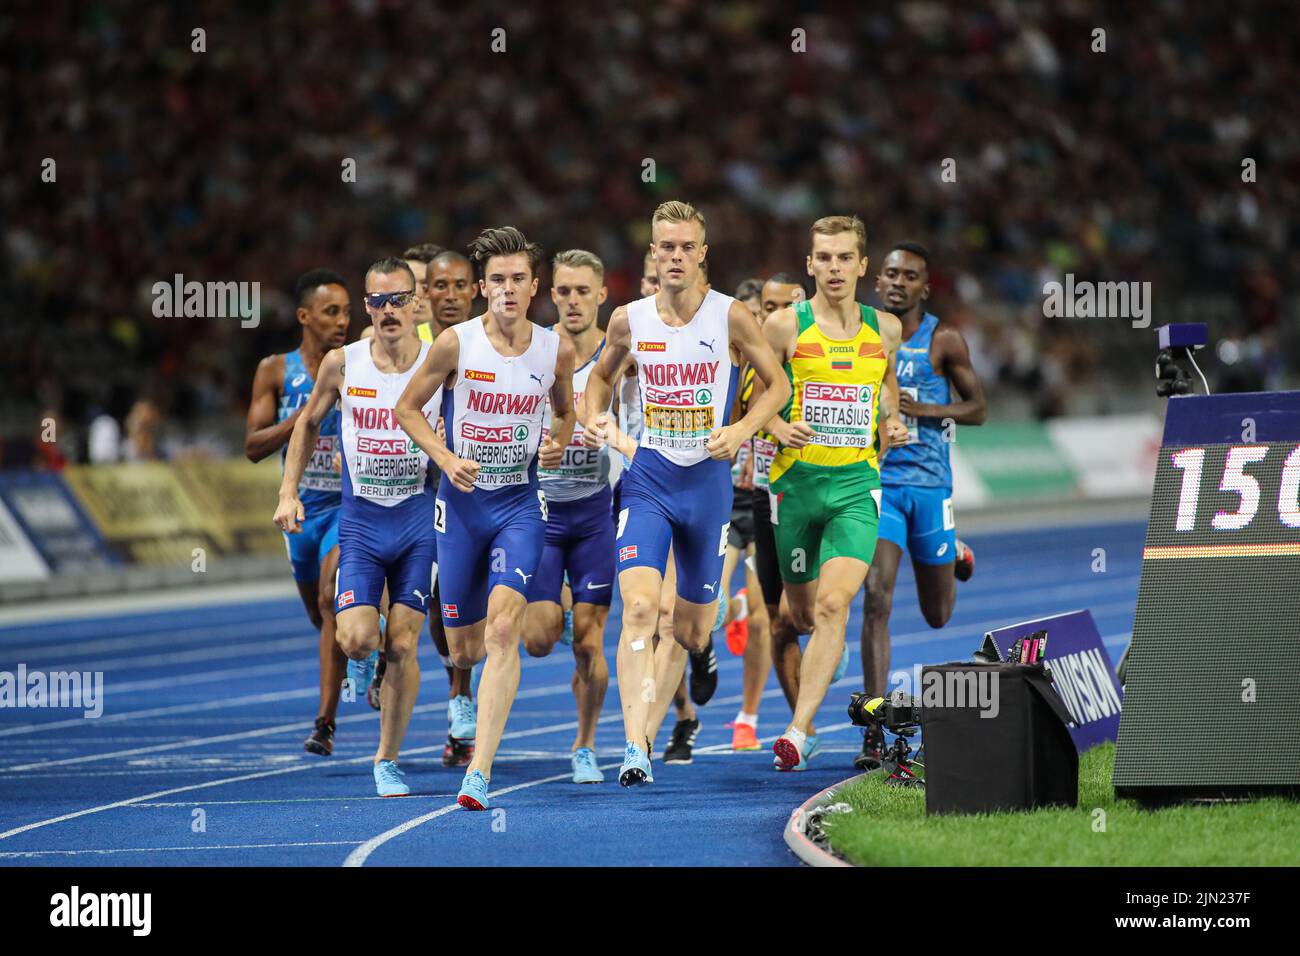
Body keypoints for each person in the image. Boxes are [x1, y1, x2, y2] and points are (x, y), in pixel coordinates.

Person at [582, 200, 791, 787]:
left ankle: (700, 650)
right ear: (652, 254)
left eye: (685, 247)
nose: (675, 257)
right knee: (643, 610)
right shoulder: (629, 319)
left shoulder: (730, 318)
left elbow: (775, 386)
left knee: (692, 628)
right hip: (649, 478)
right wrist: (599, 421)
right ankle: (635, 744)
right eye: (664, 247)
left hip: (707, 486)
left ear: (703, 253)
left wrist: (741, 430)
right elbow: (598, 380)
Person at [396, 226, 575, 811]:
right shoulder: (455, 344)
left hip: (519, 507)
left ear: (534, 285)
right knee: (465, 646)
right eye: (496, 280)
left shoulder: (554, 349)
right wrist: (445, 457)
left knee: (503, 633)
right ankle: (462, 698)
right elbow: (406, 409)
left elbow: (566, 412)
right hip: (461, 509)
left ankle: (479, 770)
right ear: (482, 288)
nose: (507, 290)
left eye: (517, 279)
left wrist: (557, 442)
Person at [276, 258, 442, 796]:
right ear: (367, 305)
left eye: (398, 300)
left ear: (417, 303)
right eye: (377, 301)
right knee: (355, 638)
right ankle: (359, 661)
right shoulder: (342, 364)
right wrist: (288, 492)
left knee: (403, 643)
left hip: (418, 520)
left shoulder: (442, 361)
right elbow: (305, 424)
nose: (388, 310)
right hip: (364, 521)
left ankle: (386, 758)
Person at [761, 215, 909, 772]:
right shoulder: (783, 327)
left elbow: (885, 383)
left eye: (845, 257)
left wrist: (890, 420)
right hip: (795, 487)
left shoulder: (884, 329)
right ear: (810, 264)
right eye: (824, 258)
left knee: (833, 603)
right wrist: (777, 428)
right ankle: (828, 644)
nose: (834, 268)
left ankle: (799, 731)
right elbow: (750, 400)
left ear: (862, 265)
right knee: (799, 616)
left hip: (855, 485)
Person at [856, 241, 985, 770]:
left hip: (931, 489)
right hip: (880, 484)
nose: (897, 283)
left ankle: (954, 551)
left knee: (937, 615)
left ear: (923, 288)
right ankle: (874, 727)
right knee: (876, 595)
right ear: (877, 280)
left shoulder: (943, 339)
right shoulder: (860, 336)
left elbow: (978, 408)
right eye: (890, 273)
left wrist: (922, 408)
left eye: (909, 276)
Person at [245, 269, 350, 755]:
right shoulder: (274, 370)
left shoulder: (356, 365)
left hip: (347, 506)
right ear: (304, 316)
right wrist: (304, 416)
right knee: (320, 614)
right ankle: (360, 651)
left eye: (347, 312)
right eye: (332, 312)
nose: (342, 321)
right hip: (300, 510)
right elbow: (252, 446)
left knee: (332, 601)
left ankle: (324, 722)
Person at [521, 249, 614, 784]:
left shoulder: (617, 354)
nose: (573, 300)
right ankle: (555, 609)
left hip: (596, 514)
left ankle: (585, 744)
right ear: (550, 294)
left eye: (583, 291)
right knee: (537, 639)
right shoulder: (533, 351)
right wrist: (539, 447)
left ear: (601, 295)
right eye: (563, 291)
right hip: (541, 513)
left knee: (589, 640)